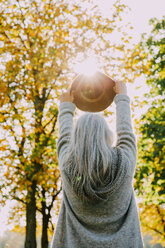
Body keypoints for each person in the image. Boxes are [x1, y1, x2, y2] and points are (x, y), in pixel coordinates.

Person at [51, 81, 144, 248]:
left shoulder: (67, 166)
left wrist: (66, 106)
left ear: (76, 137)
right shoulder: (124, 164)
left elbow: (64, 137)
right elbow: (126, 133)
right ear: (107, 135)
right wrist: (122, 98)